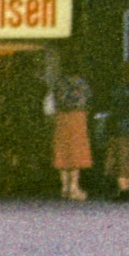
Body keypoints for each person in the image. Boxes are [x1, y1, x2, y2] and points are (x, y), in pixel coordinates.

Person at [48, 68, 94, 200]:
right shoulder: (81, 83)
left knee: (62, 151)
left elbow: (54, 98)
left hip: (61, 118)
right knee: (76, 152)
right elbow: (88, 99)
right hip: (77, 117)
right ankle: (74, 188)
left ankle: (64, 188)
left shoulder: (59, 83)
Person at [100, 68, 129, 201]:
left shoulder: (112, 91)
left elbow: (107, 108)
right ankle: (127, 189)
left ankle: (122, 189)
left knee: (120, 160)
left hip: (117, 128)